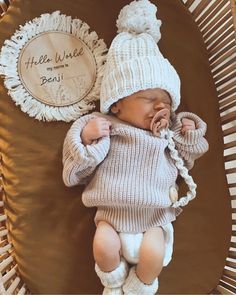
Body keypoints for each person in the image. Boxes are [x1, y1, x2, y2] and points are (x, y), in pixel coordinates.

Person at [62, 0, 209, 294]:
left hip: (154, 216)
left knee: (152, 254)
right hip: (112, 217)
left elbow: (187, 160)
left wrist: (189, 134)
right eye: (148, 98)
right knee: (103, 246)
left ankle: (140, 287)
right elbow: (73, 172)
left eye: (166, 101)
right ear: (117, 103)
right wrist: (87, 139)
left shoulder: (168, 131)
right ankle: (113, 282)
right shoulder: (104, 125)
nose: (160, 106)